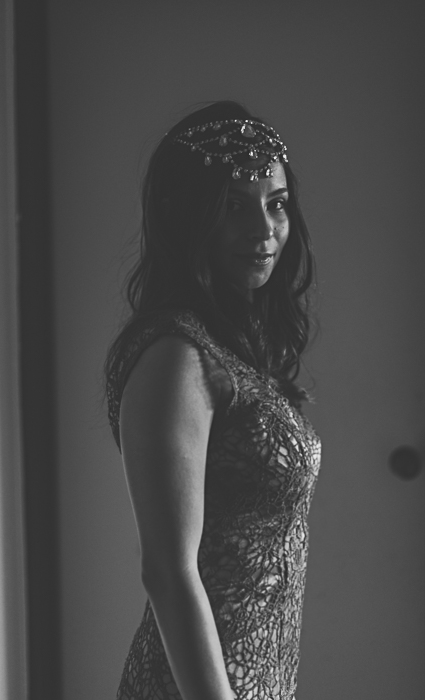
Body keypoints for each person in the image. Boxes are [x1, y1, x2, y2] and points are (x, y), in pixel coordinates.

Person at [104, 101, 320, 700]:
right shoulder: (176, 355)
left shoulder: (238, 351)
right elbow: (168, 571)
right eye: (232, 206)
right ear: (188, 218)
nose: (264, 229)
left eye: (275, 203)